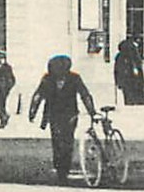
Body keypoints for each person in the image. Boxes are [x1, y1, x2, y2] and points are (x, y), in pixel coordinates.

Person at [27, 54, 97, 183]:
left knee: (66, 141)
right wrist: (33, 111)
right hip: (54, 115)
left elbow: (84, 95)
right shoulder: (48, 79)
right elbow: (38, 95)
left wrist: (92, 111)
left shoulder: (74, 78)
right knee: (58, 141)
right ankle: (60, 168)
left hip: (70, 115)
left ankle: (64, 168)